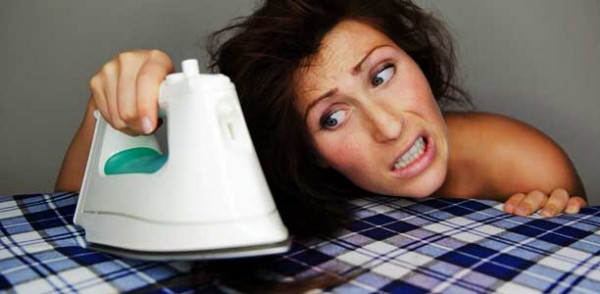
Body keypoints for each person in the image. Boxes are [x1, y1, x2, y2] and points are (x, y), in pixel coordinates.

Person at [56, 0, 587, 237]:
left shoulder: (526, 161)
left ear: (417, 62)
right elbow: (66, 213)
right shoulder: (281, 175)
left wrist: (552, 207)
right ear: (307, 151)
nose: (388, 127)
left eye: (381, 75)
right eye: (332, 118)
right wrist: (108, 113)